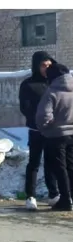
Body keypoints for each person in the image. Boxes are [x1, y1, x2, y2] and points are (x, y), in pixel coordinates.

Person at [19, 51, 59, 209]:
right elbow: (25, 107)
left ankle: (53, 194)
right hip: (36, 130)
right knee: (34, 163)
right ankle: (30, 196)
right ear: (36, 65)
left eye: (49, 65)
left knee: (52, 163)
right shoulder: (28, 84)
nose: (46, 68)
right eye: (43, 65)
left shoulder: (55, 82)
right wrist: (38, 121)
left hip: (52, 130)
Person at [36, 63, 73, 212]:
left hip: (56, 135)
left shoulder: (52, 92)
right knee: (71, 166)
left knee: (60, 168)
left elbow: (43, 116)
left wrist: (45, 127)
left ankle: (65, 199)